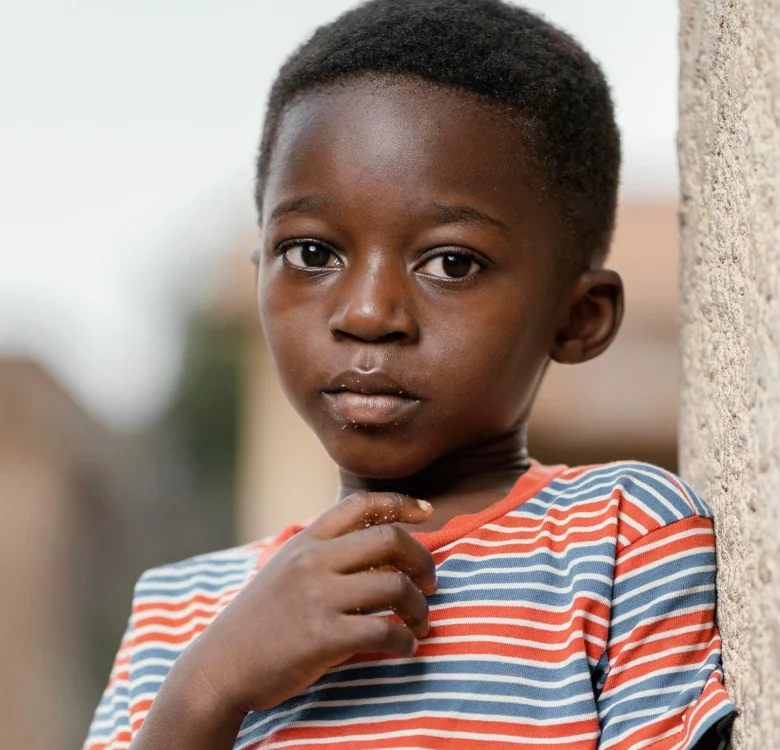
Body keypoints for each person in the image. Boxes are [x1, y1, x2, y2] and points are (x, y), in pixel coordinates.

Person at [84, 1, 736, 748]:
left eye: (451, 263)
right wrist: (208, 690)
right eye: (311, 254)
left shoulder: (621, 538)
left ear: (578, 317)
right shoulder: (179, 617)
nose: (368, 313)